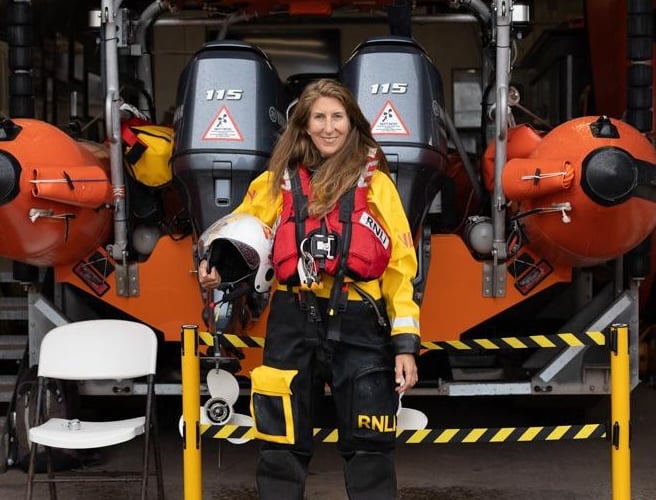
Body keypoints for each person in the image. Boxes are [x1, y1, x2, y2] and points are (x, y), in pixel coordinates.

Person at [198, 78, 420, 500]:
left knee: (370, 447)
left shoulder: (377, 186)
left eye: (338, 117)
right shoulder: (275, 184)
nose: (329, 127)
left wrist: (405, 345)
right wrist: (215, 270)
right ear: (303, 125)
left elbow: (400, 269)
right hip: (292, 318)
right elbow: (242, 236)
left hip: (360, 323)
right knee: (279, 445)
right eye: (319, 117)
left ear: (353, 123)